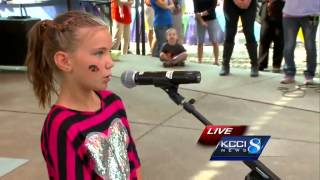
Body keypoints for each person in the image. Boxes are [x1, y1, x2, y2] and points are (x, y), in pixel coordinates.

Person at [25, 11, 141, 179]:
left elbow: (133, 165)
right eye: (99, 53)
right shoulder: (62, 126)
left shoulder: (113, 102)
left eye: (109, 51)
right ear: (65, 61)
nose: (110, 62)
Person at [281, 0, 320, 84]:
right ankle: (289, 73)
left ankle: (310, 75)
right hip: (289, 14)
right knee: (289, 45)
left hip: (312, 14)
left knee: (310, 45)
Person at [220, 0, 259, 77]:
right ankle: (225, 64)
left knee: (249, 31)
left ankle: (254, 65)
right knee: (230, 33)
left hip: (249, 3)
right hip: (230, 3)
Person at [258, 0, 285, 73]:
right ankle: (261, 63)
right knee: (264, 38)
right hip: (266, 6)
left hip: (281, 6)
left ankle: (276, 65)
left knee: (279, 40)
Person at [193, 0, 220, 65]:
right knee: (200, 42)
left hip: (212, 19)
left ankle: (216, 61)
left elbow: (213, 7)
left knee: (214, 41)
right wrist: (201, 21)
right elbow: (196, 10)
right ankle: (199, 61)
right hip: (199, 20)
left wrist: (203, 13)